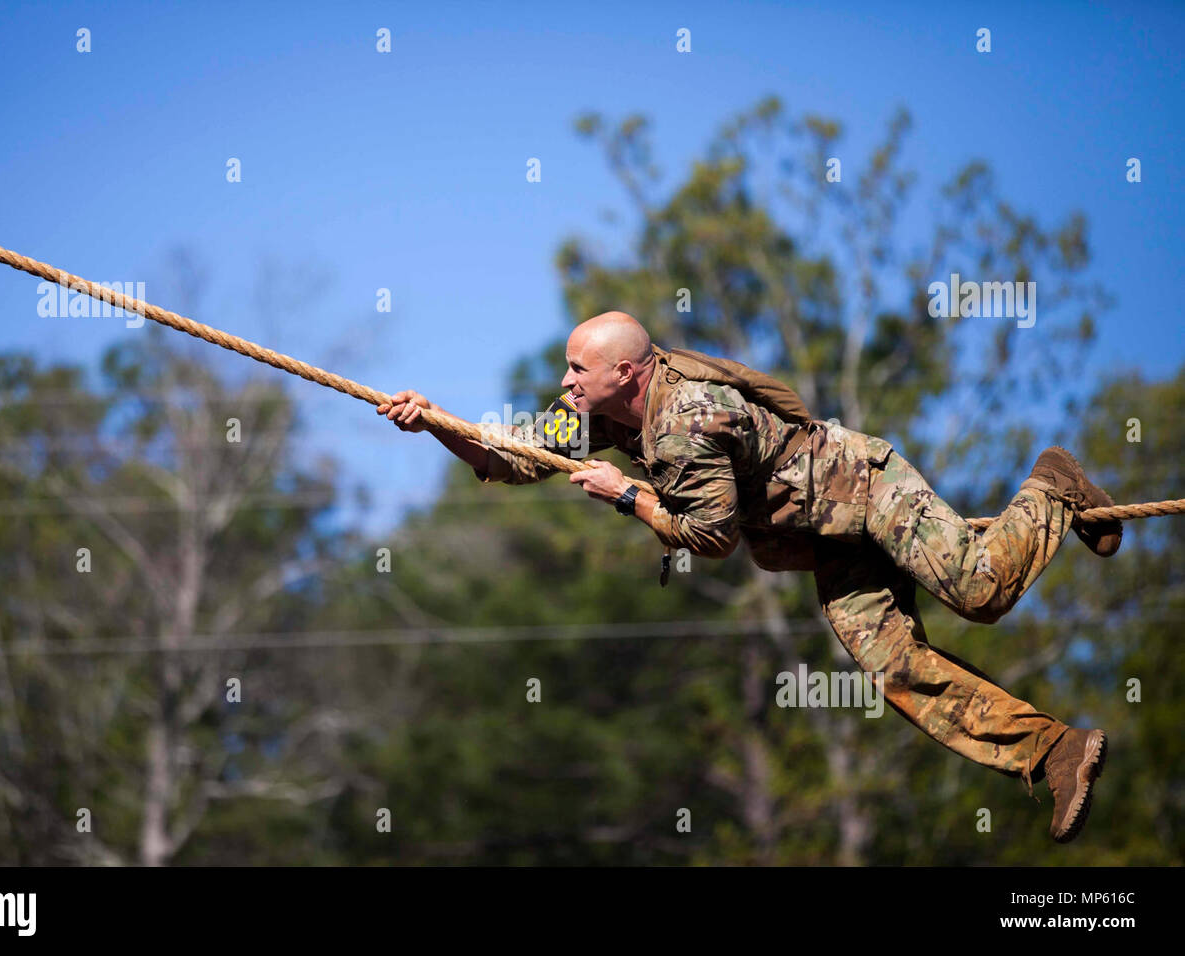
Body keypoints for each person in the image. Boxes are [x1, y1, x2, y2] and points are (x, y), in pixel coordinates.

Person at [376, 310, 1116, 843]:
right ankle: (1051, 751)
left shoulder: (686, 423)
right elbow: (510, 457)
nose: (564, 381)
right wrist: (436, 420)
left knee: (981, 592)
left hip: (864, 489)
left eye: (577, 368)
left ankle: (1052, 485)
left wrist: (627, 495)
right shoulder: (603, 413)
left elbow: (710, 538)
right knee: (900, 672)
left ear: (626, 374)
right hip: (825, 539)